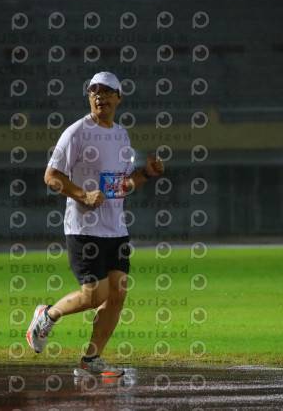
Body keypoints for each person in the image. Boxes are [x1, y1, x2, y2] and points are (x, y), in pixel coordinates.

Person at [26, 72, 165, 377]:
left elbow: (121, 185)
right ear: (89, 97)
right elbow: (51, 176)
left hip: (115, 228)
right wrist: (83, 195)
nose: (100, 96)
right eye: (94, 91)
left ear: (119, 98)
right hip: (83, 227)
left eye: (106, 91)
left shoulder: (121, 135)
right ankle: (47, 315)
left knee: (116, 296)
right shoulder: (76, 132)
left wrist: (146, 174)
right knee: (95, 295)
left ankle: (91, 360)